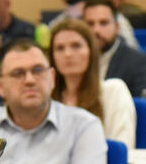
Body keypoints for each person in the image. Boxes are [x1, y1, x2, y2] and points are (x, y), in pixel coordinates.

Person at [50, 19, 136, 148]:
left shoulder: (113, 91)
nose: (67, 54)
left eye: (76, 46)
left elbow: (122, 149)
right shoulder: (47, 99)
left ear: (91, 51)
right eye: (60, 48)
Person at [82, 0, 146, 98]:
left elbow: (142, 107)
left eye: (103, 23)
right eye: (90, 24)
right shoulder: (72, 59)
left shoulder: (139, 62)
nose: (96, 30)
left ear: (117, 27)